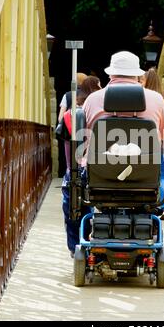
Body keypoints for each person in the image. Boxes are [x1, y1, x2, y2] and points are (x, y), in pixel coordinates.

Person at [82, 51, 164, 218]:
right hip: (145, 179)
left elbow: (82, 140)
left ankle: (76, 238)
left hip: (100, 178)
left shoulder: (93, 99)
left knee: (70, 186)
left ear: (110, 73)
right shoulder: (157, 99)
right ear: (137, 75)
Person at [61, 75, 101, 258]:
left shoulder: (80, 110)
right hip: (110, 167)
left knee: (72, 199)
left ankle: (74, 246)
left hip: (81, 166)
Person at [140, 67, 164, 219]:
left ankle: (148, 202)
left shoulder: (142, 96)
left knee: (147, 173)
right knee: (163, 174)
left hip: (144, 140)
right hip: (161, 139)